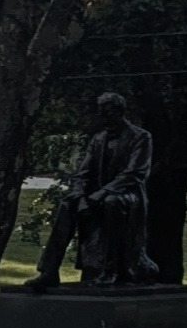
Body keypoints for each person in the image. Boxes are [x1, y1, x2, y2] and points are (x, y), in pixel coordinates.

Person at [30, 91, 161, 289]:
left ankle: (112, 270)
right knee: (68, 205)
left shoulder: (141, 137)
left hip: (128, 194)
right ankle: (48, 271)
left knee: (112, 203)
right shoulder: (98, 139)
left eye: (108, 113)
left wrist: (102, 193)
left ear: (119, 111)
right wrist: (79, 195)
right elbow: (82, 173)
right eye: (102, 113)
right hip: (96, 194)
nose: (104, 118)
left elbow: (134, 173)